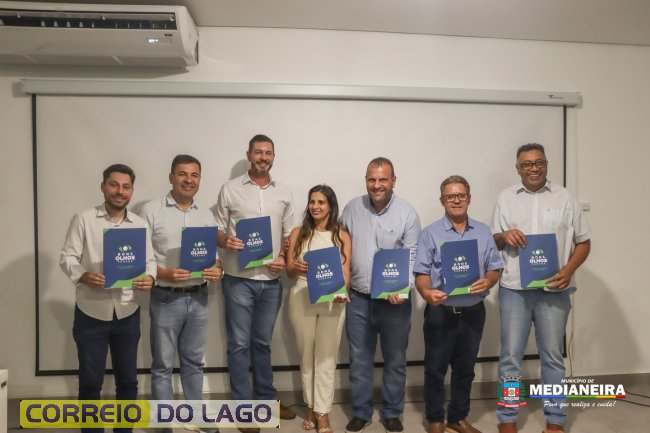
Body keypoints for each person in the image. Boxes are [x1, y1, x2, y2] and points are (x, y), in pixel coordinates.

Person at [493, 143, 591, 433]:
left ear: (546, 164)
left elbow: (584, 242)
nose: (533, 168)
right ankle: (507, 417)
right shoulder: (505, 198)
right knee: (510, 358)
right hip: (514, 290)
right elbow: (494, 240)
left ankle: (556, 420)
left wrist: (568, 271)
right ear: (518, 169)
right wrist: (504, 236)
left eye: (539, 163)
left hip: (554, 290)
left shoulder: (565, 198)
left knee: (553, 358)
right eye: (527, 164)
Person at [60, 164, 156, 433]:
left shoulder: (140, 224)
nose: (120, 191)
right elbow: (67, 257)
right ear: (103, 187)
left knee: (128, 382)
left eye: (126, 186)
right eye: (114, 185)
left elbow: (150, 261)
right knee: (90, 383)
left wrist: (150, 277)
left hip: (127, 311)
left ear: (132, 191)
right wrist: (83, 275)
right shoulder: (84, 219)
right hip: (91, 311)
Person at [215, 134, 296, 433]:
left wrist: (283, 257)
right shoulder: (230, 189)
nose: (263, 157)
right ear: (249, 154)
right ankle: (244, 408)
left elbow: (289, 235)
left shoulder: (284, 192)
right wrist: (227, 241)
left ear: (273, 157)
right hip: (238, 279)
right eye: (258, 152)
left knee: (262, 343)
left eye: (268, 153)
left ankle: (267, 401)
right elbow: (216, 230)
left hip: (271, 281)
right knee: (238, 345)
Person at [140, 155, 223, 433]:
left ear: (200, 179)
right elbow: (142, 258)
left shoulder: (206, 215)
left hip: (199, 297)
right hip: (165, 297)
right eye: (183, 174)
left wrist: (217, 270)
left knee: (194, 362)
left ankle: (196, 416)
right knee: (163, 365)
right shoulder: (151, 211)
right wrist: (164, 274)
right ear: (171, 177)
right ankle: (164, 424)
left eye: (194, 175)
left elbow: (213, 257)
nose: (189, 180)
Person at [413, 175, 503, 433]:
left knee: (465, 370)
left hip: (474, 312)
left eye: (460, 195)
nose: (456, 200)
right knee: (435, 369)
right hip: (441, 312)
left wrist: (488, 281)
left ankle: (457, 417)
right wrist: (426, 292)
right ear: (442, 201)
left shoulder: (483, 232)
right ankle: (435, 419)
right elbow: (421, 272)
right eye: (450, 196)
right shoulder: (430, 233)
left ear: (469, 199)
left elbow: (495, 267)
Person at [340, 157, 421, 433]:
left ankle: (392, 412)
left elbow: (412, 256)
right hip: (358, 299)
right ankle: (361, 412)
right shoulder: (351, 208)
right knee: (359, 358)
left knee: (395, 360)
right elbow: (340, 246)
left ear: (393, 181)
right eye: (372, 179)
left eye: (382, 179)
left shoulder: (407, 213)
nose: (377, 185)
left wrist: (402, 288)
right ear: (366, 180)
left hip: (393, 303)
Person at [286, 185, 352, 433]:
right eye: (312, 202)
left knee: (326, 356)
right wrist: (296, 267)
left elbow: (346, 273)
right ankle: (310, 408)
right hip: (302, 295)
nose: (315, 206)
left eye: (321, 202)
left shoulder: (342, 235)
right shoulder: (298, 233)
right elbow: (289, 271)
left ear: (331, 206)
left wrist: (342, 293)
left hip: (332, 300)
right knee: (306, 356)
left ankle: (322, 413)